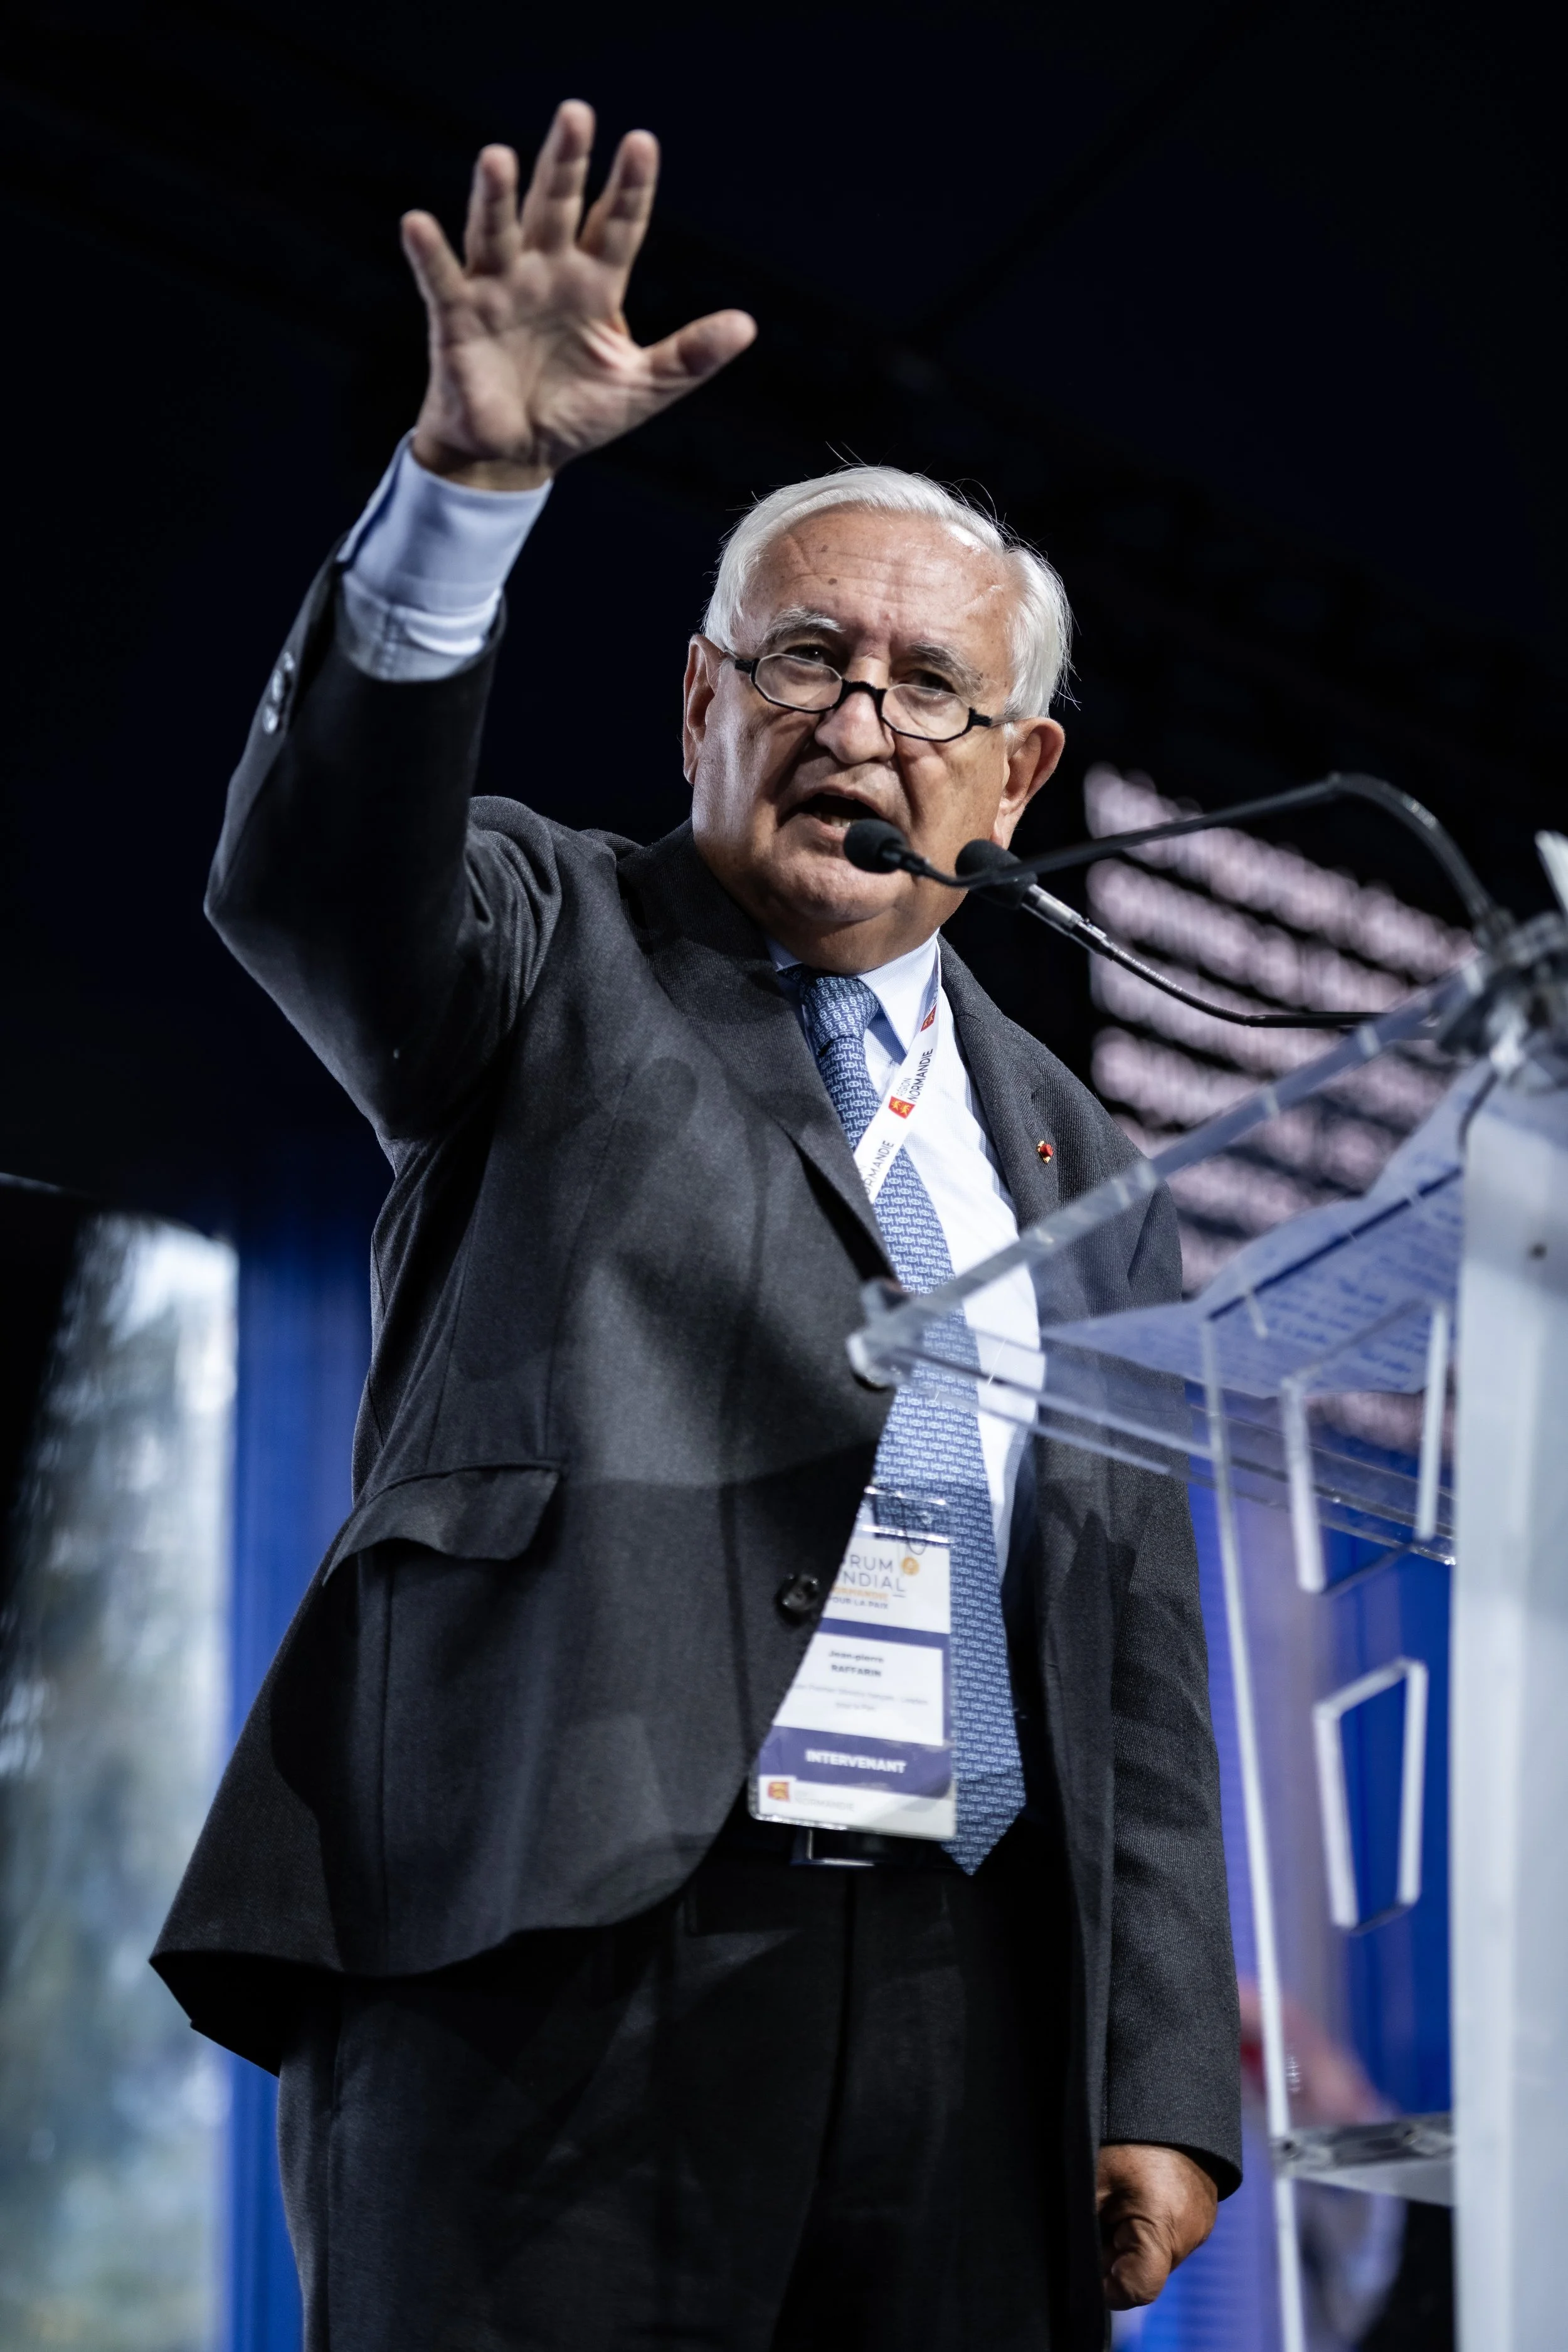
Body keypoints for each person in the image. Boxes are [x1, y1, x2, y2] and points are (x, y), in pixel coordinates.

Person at [154, 100, 1239, 2352]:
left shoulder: (1083, 1159)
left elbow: (1136, 1635)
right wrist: (465, 493)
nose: (859, 717)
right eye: (804, 659)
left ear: (1016, 772)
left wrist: (1157, 2071)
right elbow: (318, 880)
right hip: (548, 1929)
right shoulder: (546, 936)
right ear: (699, 702)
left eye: (926, 686)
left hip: (964, 1991)